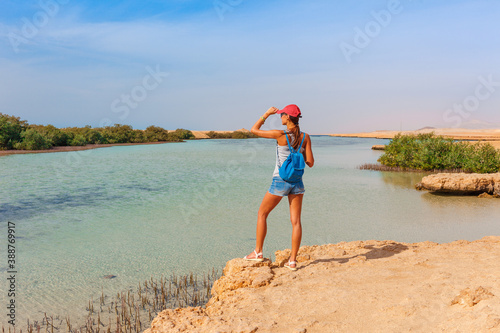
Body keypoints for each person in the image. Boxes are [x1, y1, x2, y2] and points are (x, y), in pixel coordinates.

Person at [243, 104, 314, 271]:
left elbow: (254, 130)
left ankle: (258, 252)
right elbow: (310, 163)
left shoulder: (280, 135)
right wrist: (299, 153)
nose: (280, 116)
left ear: (288, 117)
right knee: (296, 222)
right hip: (297, 182)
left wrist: (267, 113)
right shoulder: (305, 137)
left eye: (282, 114)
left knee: (262, 213)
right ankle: (293, 261)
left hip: (280, 180)